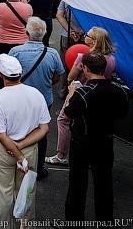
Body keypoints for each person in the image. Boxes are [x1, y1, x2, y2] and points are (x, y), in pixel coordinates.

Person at [0, 54, 50, 226]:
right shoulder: (35, 94)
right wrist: (21, 147)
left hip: (4, 150)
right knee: (27, 192)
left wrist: (16, 152)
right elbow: (44, 128)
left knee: (4, 195)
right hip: (29, 150)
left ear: (1, 74)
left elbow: (0, 134)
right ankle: (26, 225)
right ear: (20, 74)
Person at [63, 52, 129, 221]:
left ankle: (74, 222)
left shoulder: (83, 93)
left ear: (85, 69)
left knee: (77, 186)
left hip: (82, 142)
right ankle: (105, 221)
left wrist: (71, 94)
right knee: (104, 185)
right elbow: (122, 113)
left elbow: (69, 113)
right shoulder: (119, 91)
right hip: (105, 141)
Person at [47, 26, 117, 167]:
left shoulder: (83, 57)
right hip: (99, 97)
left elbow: (70, 77)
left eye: (88, 35)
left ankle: (61, 155)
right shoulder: (111, 60)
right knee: (92, 125)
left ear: (94, 41)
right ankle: (92, 158)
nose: (85, 36)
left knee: (63, 120)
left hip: (79, 94)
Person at [9, 17, 62, 177]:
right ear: (45, 33)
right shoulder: (52, 54)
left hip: (19, 99)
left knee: (18, 130)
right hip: (43, 99)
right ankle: (38, 168)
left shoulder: (16, 52)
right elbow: (57, 76)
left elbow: (9, 75)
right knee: (41, 133)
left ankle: (18, 163)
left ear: (26, 33)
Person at [0, 0, 33, 90]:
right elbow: (28, 18)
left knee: (0, 70)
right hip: (21, 43)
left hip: (2, 42)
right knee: (20, 71)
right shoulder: (27, 8)